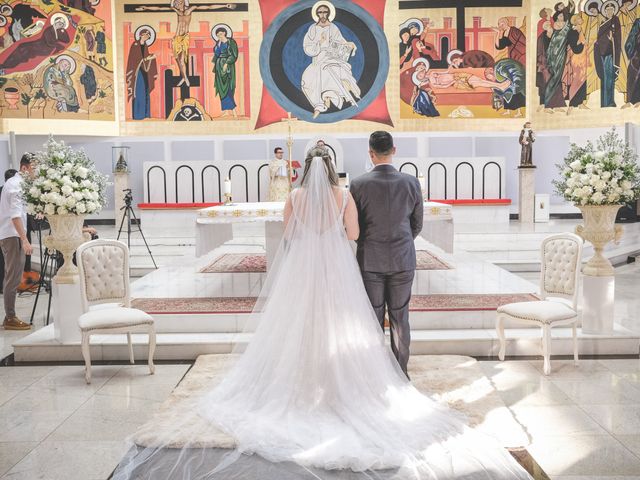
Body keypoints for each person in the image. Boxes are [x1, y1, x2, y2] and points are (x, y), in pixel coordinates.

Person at [112, 142, 534, 480]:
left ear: (303, 169)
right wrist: (333, 232)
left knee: (297, 323)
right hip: (336, 264)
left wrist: (310, 236)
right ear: (331, 168)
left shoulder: (295, 195)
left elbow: (289, 232)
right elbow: (353, 233)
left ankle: (300, 379)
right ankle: (347, 378)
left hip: (303, 265)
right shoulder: (342, 193)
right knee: (342, 323)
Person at [349, 131, 422, 378]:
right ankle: (401, 372)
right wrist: (400, 241)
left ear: (371, 153)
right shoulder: (411, 182)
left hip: (371, 258)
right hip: (403, 258)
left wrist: (370, 242)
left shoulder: (358, 184)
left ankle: (375, 374)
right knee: (401, 316)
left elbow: (354, 227)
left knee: (373, 316)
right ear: (394, 150)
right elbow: (417, 224)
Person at [301, 1, 361, 118]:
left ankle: (326, 98)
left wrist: (349, 44)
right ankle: (320, 103)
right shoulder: (312, 29)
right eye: (320, 12)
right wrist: (320, 42)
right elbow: (307, 47)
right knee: (307, 80)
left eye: (325, 12)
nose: (322, 15)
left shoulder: (333, 27)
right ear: (317, 14)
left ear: (328, 13)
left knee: (330, 72)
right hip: (318, 60)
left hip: (332, 58)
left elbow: (341, 42)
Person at [0, 155, 33, 330]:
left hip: (12, 234)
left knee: (13, 276)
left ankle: (9, 316)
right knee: (12, 277)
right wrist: (25, 240)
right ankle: (10, 317)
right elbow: (14, 216)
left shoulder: (15, 183)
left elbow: (20, 211)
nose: (38, 173)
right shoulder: (15, 185)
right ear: (25, 168)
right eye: (35, 168)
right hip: (12, 235)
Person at [126, 28, 157, 120]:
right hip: (137, 73)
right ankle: (138, 115)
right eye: (146, 35)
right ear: (141, 35)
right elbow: (135, 60)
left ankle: (146, 114)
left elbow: (145, 57)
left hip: (144, 71)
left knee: (145, 90)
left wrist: (151, 57)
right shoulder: (135, 45)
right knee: (139, 91)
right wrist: (148, 58)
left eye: (148, 35)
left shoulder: (145, 45)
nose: (147, 37)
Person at [212, 26, 238, 117]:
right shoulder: (218, 43)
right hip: (219, 66)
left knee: (228, 87)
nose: (219, 36)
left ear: (224, 33)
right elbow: (216, 54)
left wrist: (226, 63)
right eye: (217, 35)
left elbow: (234, 55)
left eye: (220, 34)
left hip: (228, 67)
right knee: (221, 88)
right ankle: (226, 111)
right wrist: (218, 46)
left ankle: (234, 111)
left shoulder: (231, 42)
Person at [0, 168, 18, 293]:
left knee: (4, 262)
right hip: (9, 230)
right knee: (9, 265)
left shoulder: (3, 188)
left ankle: (3, 287)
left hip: (5, 230)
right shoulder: (10, 189)